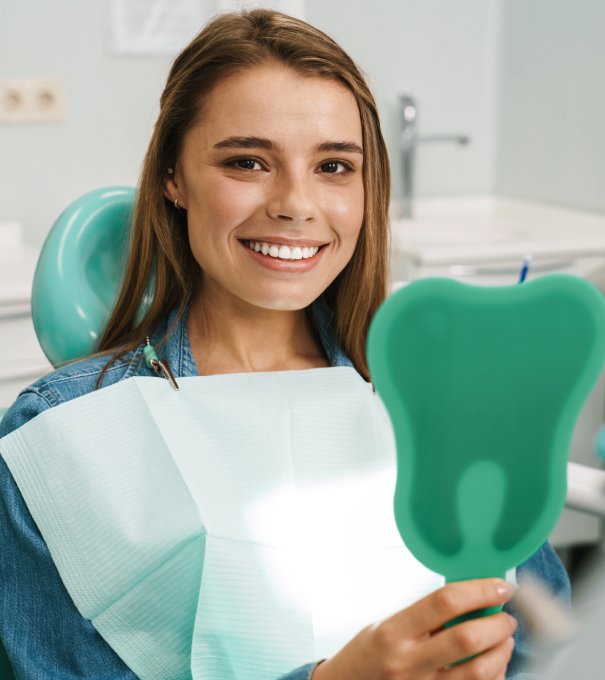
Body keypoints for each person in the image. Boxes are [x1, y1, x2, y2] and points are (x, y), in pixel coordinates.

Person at [0, 9, 569, 680]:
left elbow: (547, 636)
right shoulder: (59, 439)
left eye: (333, 166)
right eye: (247, 161)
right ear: (172, 178)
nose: (296, 204)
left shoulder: (435, 405)